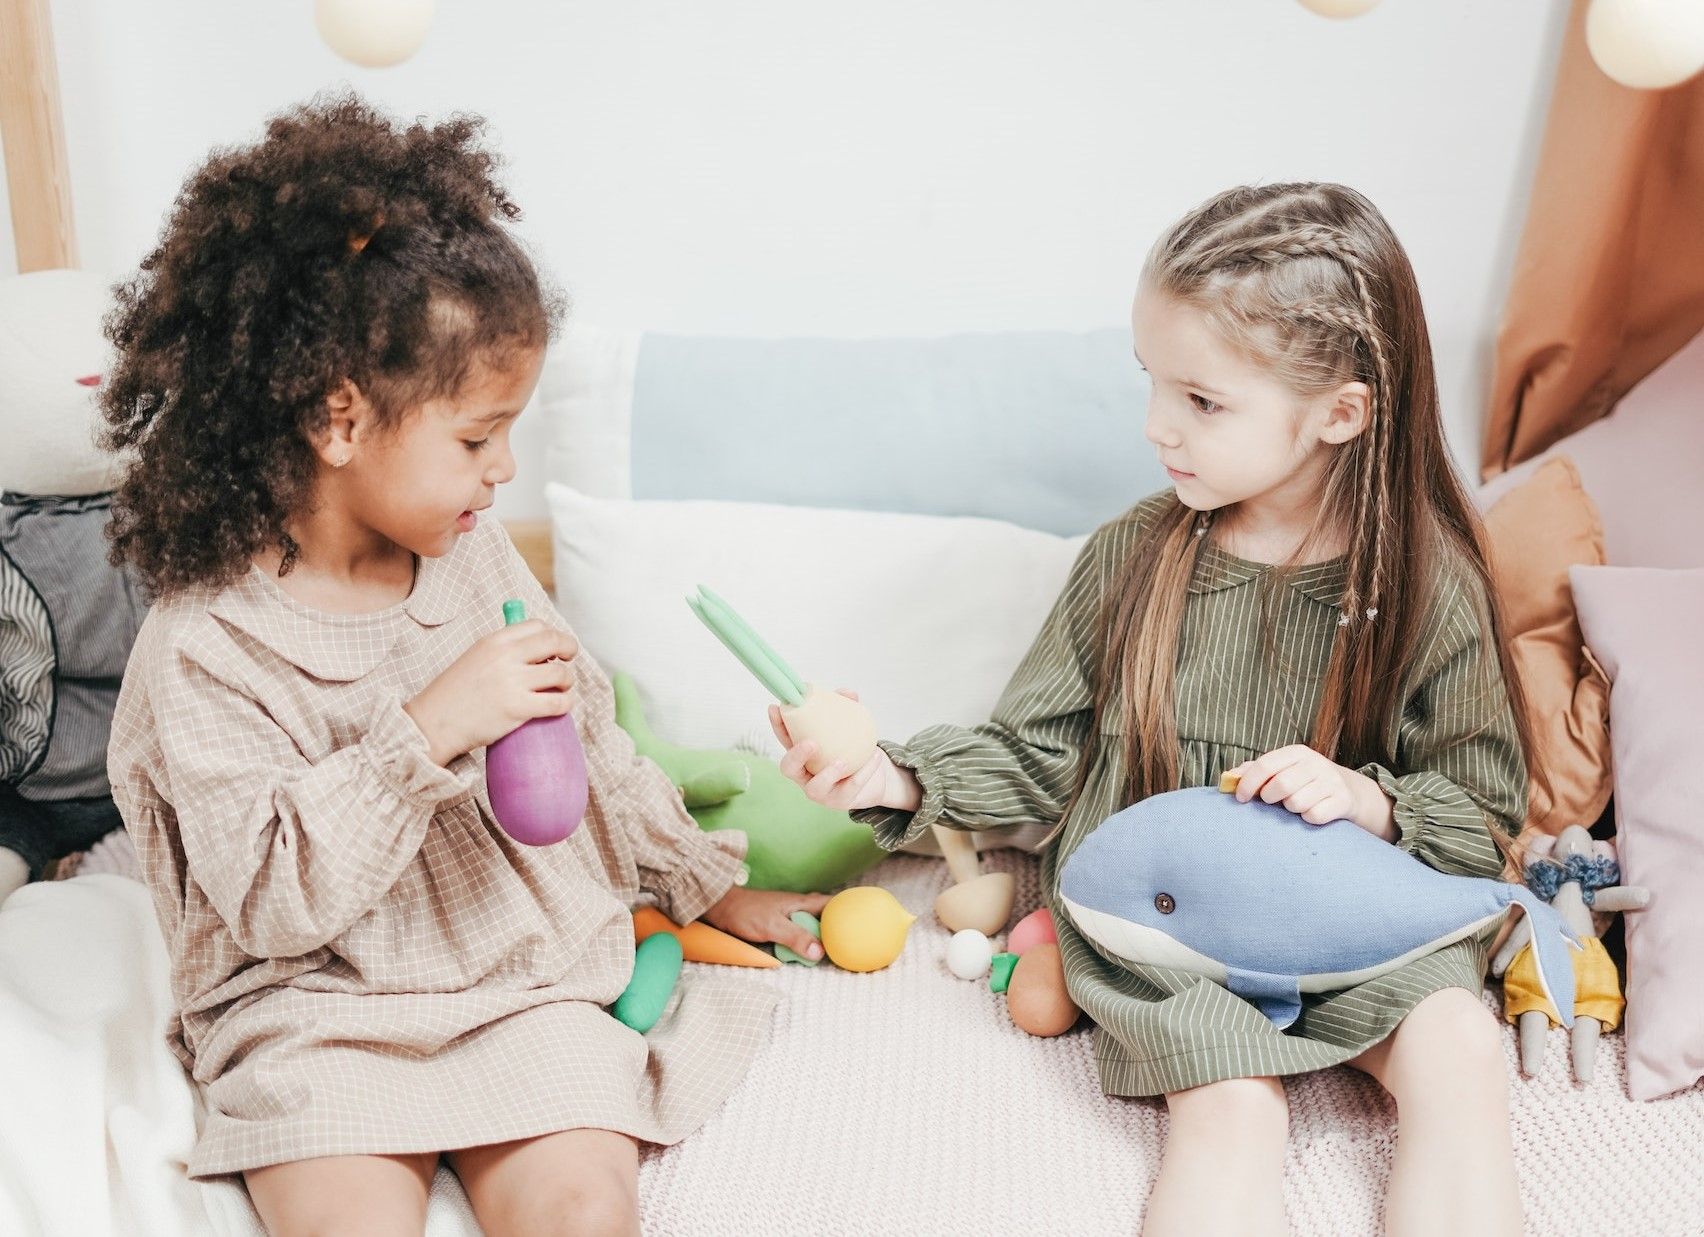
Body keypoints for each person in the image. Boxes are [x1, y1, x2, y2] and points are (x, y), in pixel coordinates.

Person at [103, 94, 825, 1237]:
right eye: (478, 437)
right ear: (339, 419)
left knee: (586, 1208)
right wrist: (429, 725)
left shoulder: (471, 552)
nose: (504, 472)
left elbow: (584, 730)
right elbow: (269, 903)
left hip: (515, 973)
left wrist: (696, 879)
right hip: (316, 1006)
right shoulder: (206, 644)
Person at [772, 183, 1532, 1237]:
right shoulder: (1133, 556)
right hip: (1168, 931)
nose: (1155, 426)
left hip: (1352, 919)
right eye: (1153, 384)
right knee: (1233, 1109)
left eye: (1203, 401)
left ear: (1340, 414)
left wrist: (1367, 801)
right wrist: (890, 776)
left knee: (1460, 1047)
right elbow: (1039, 754)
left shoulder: (1428, 585)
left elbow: (1485, 813)